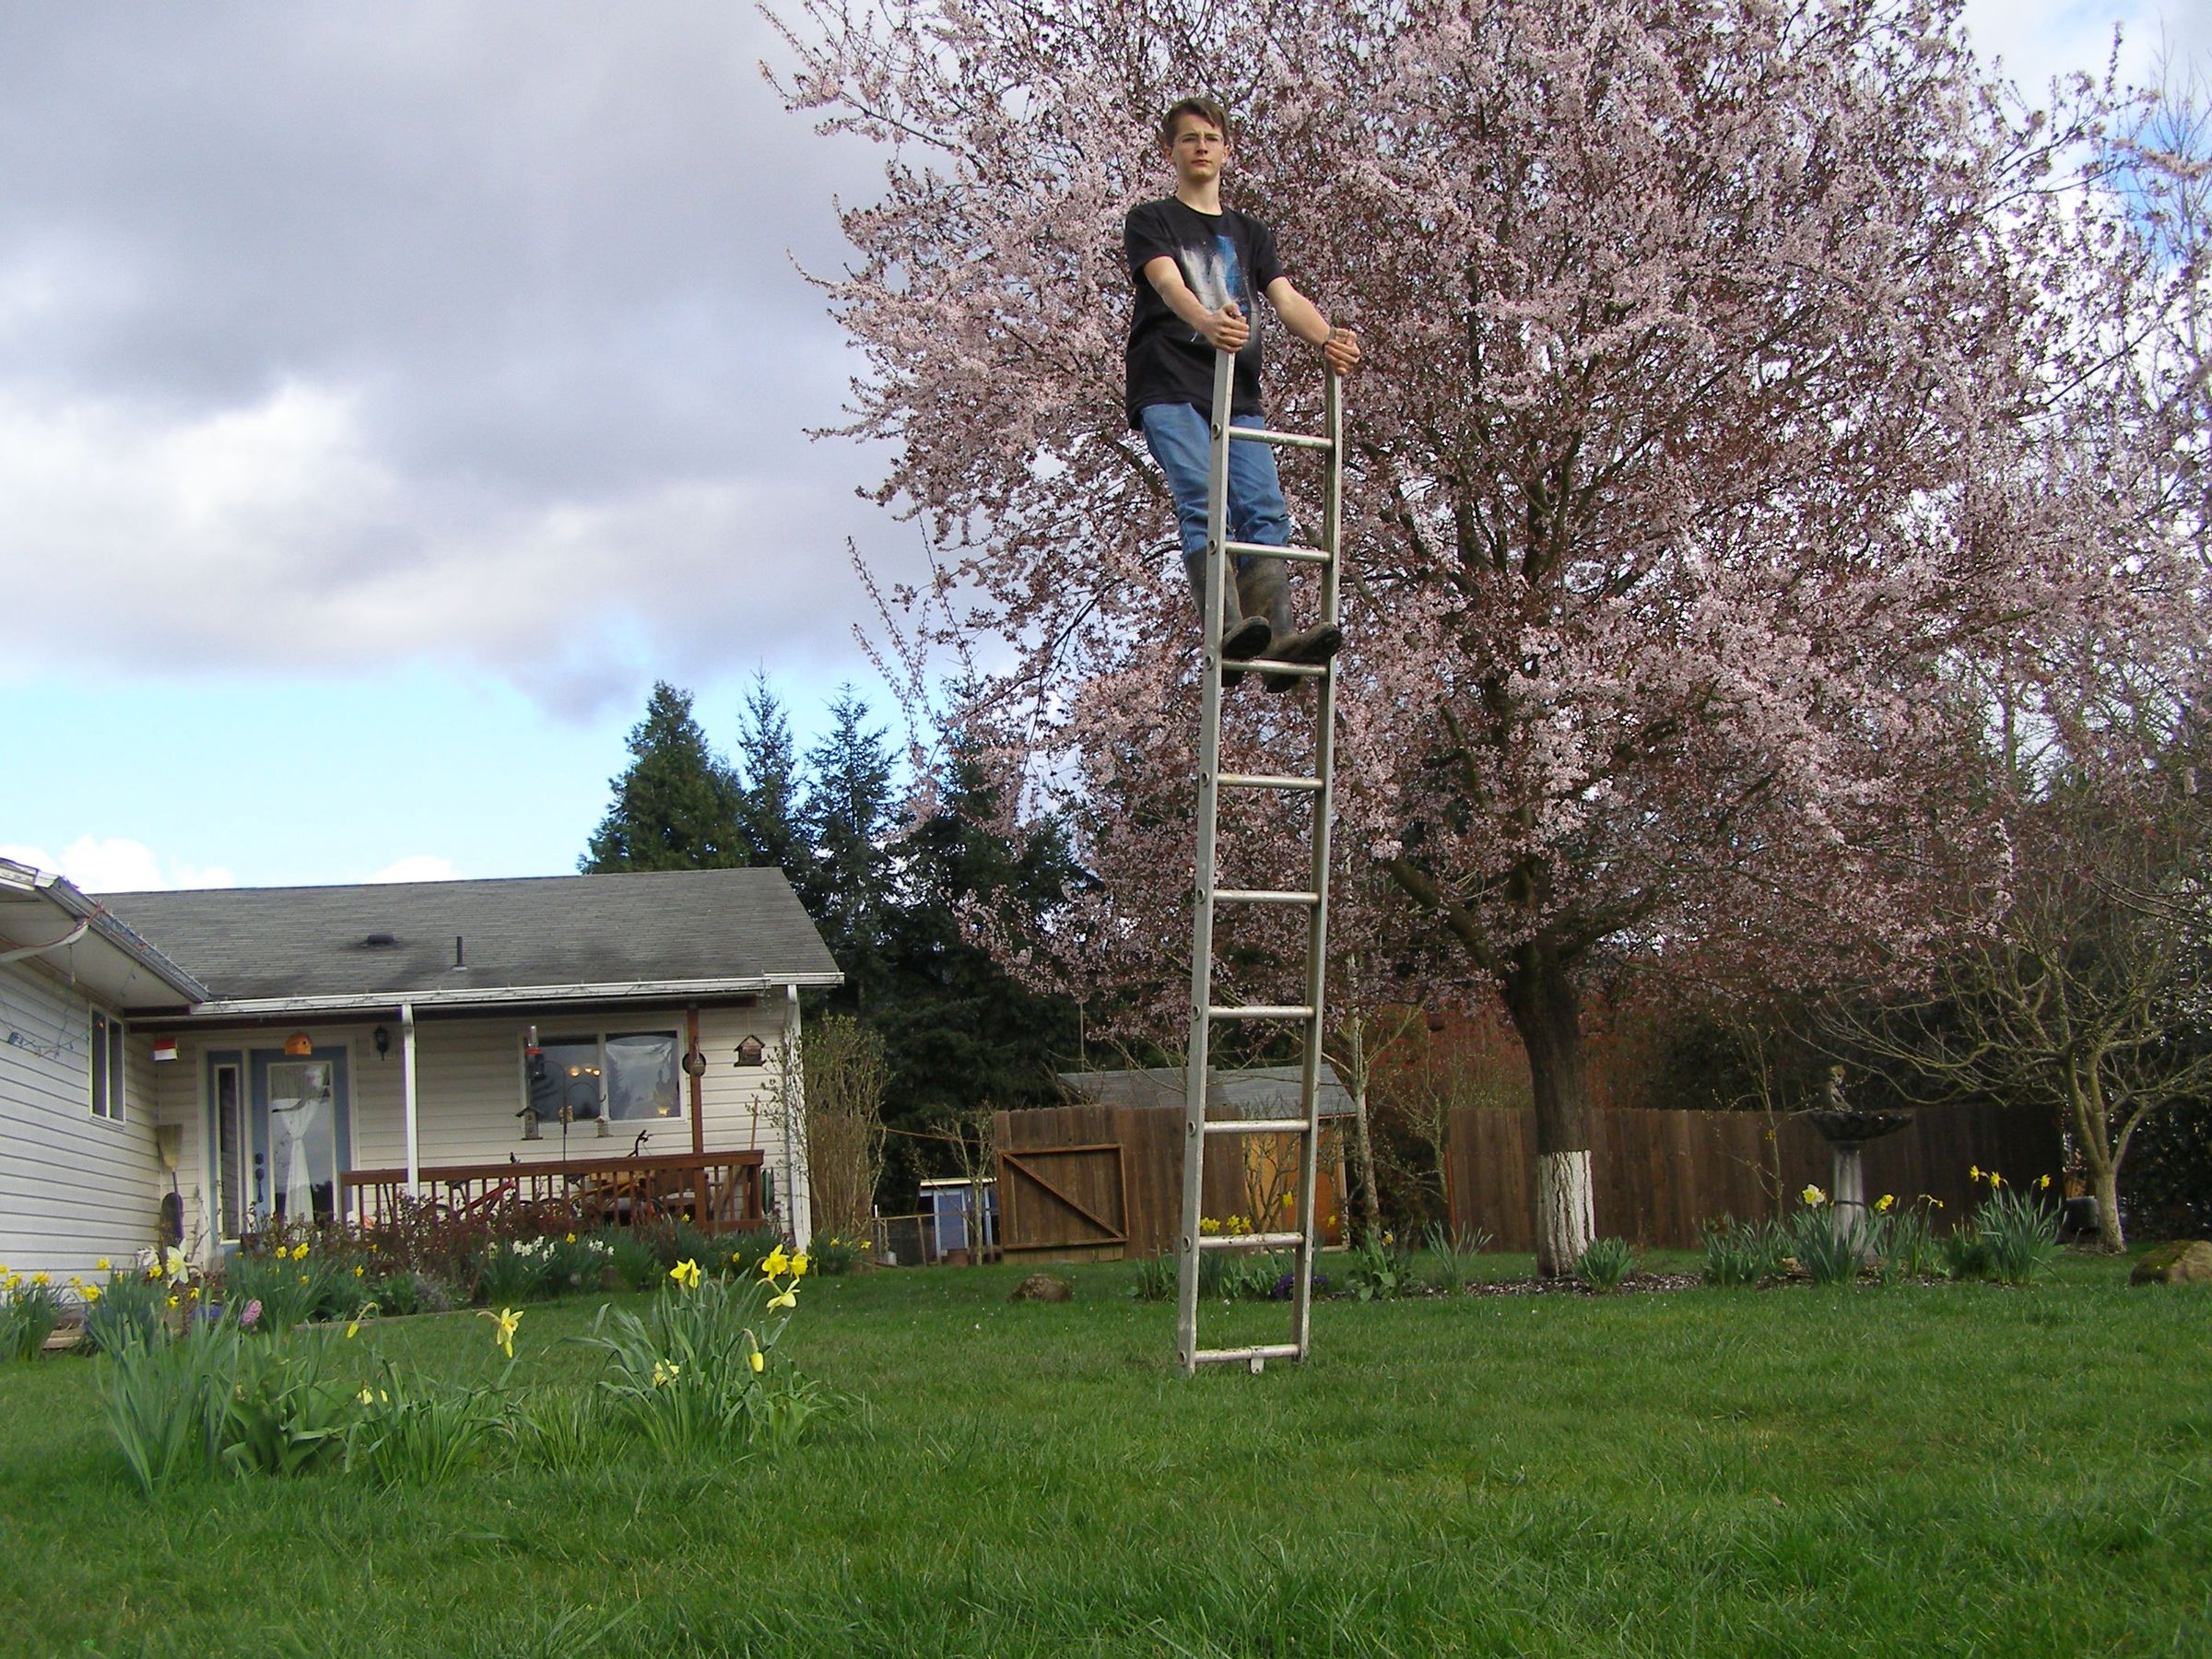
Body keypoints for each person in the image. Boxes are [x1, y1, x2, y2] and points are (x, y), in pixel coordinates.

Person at [1124, 96, 1361, 690]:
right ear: (1170, 151)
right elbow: (1167, 282)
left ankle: (1276, 636)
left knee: (1264, 509)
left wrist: (1328, 338)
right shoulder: (1152, 220)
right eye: (1188, 139)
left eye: (1210, 138)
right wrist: (1206, 321)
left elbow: (1284, 297)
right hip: (1170, 382)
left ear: (1227, 150)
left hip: (1236, 392)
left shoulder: (1250, 234)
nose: (1200, 147)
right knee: (1205, 499)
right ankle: (1227, 627)